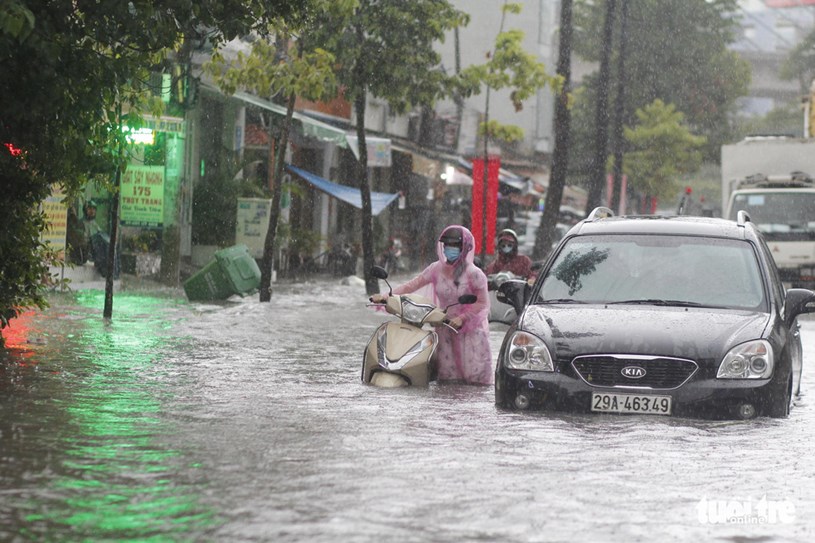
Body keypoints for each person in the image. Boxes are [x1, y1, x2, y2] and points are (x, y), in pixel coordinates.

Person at [371, 225, 493, 385]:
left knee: (474, 383)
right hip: (444, 328)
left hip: (470, 334)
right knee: (447, 381)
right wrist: (386, 297)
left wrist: (463, 317)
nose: (450, 249)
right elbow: (412, 285)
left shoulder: (475, 274)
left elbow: (482, 303)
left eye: (455, 246)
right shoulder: (436, 269)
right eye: (447, 245)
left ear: (465, 248)